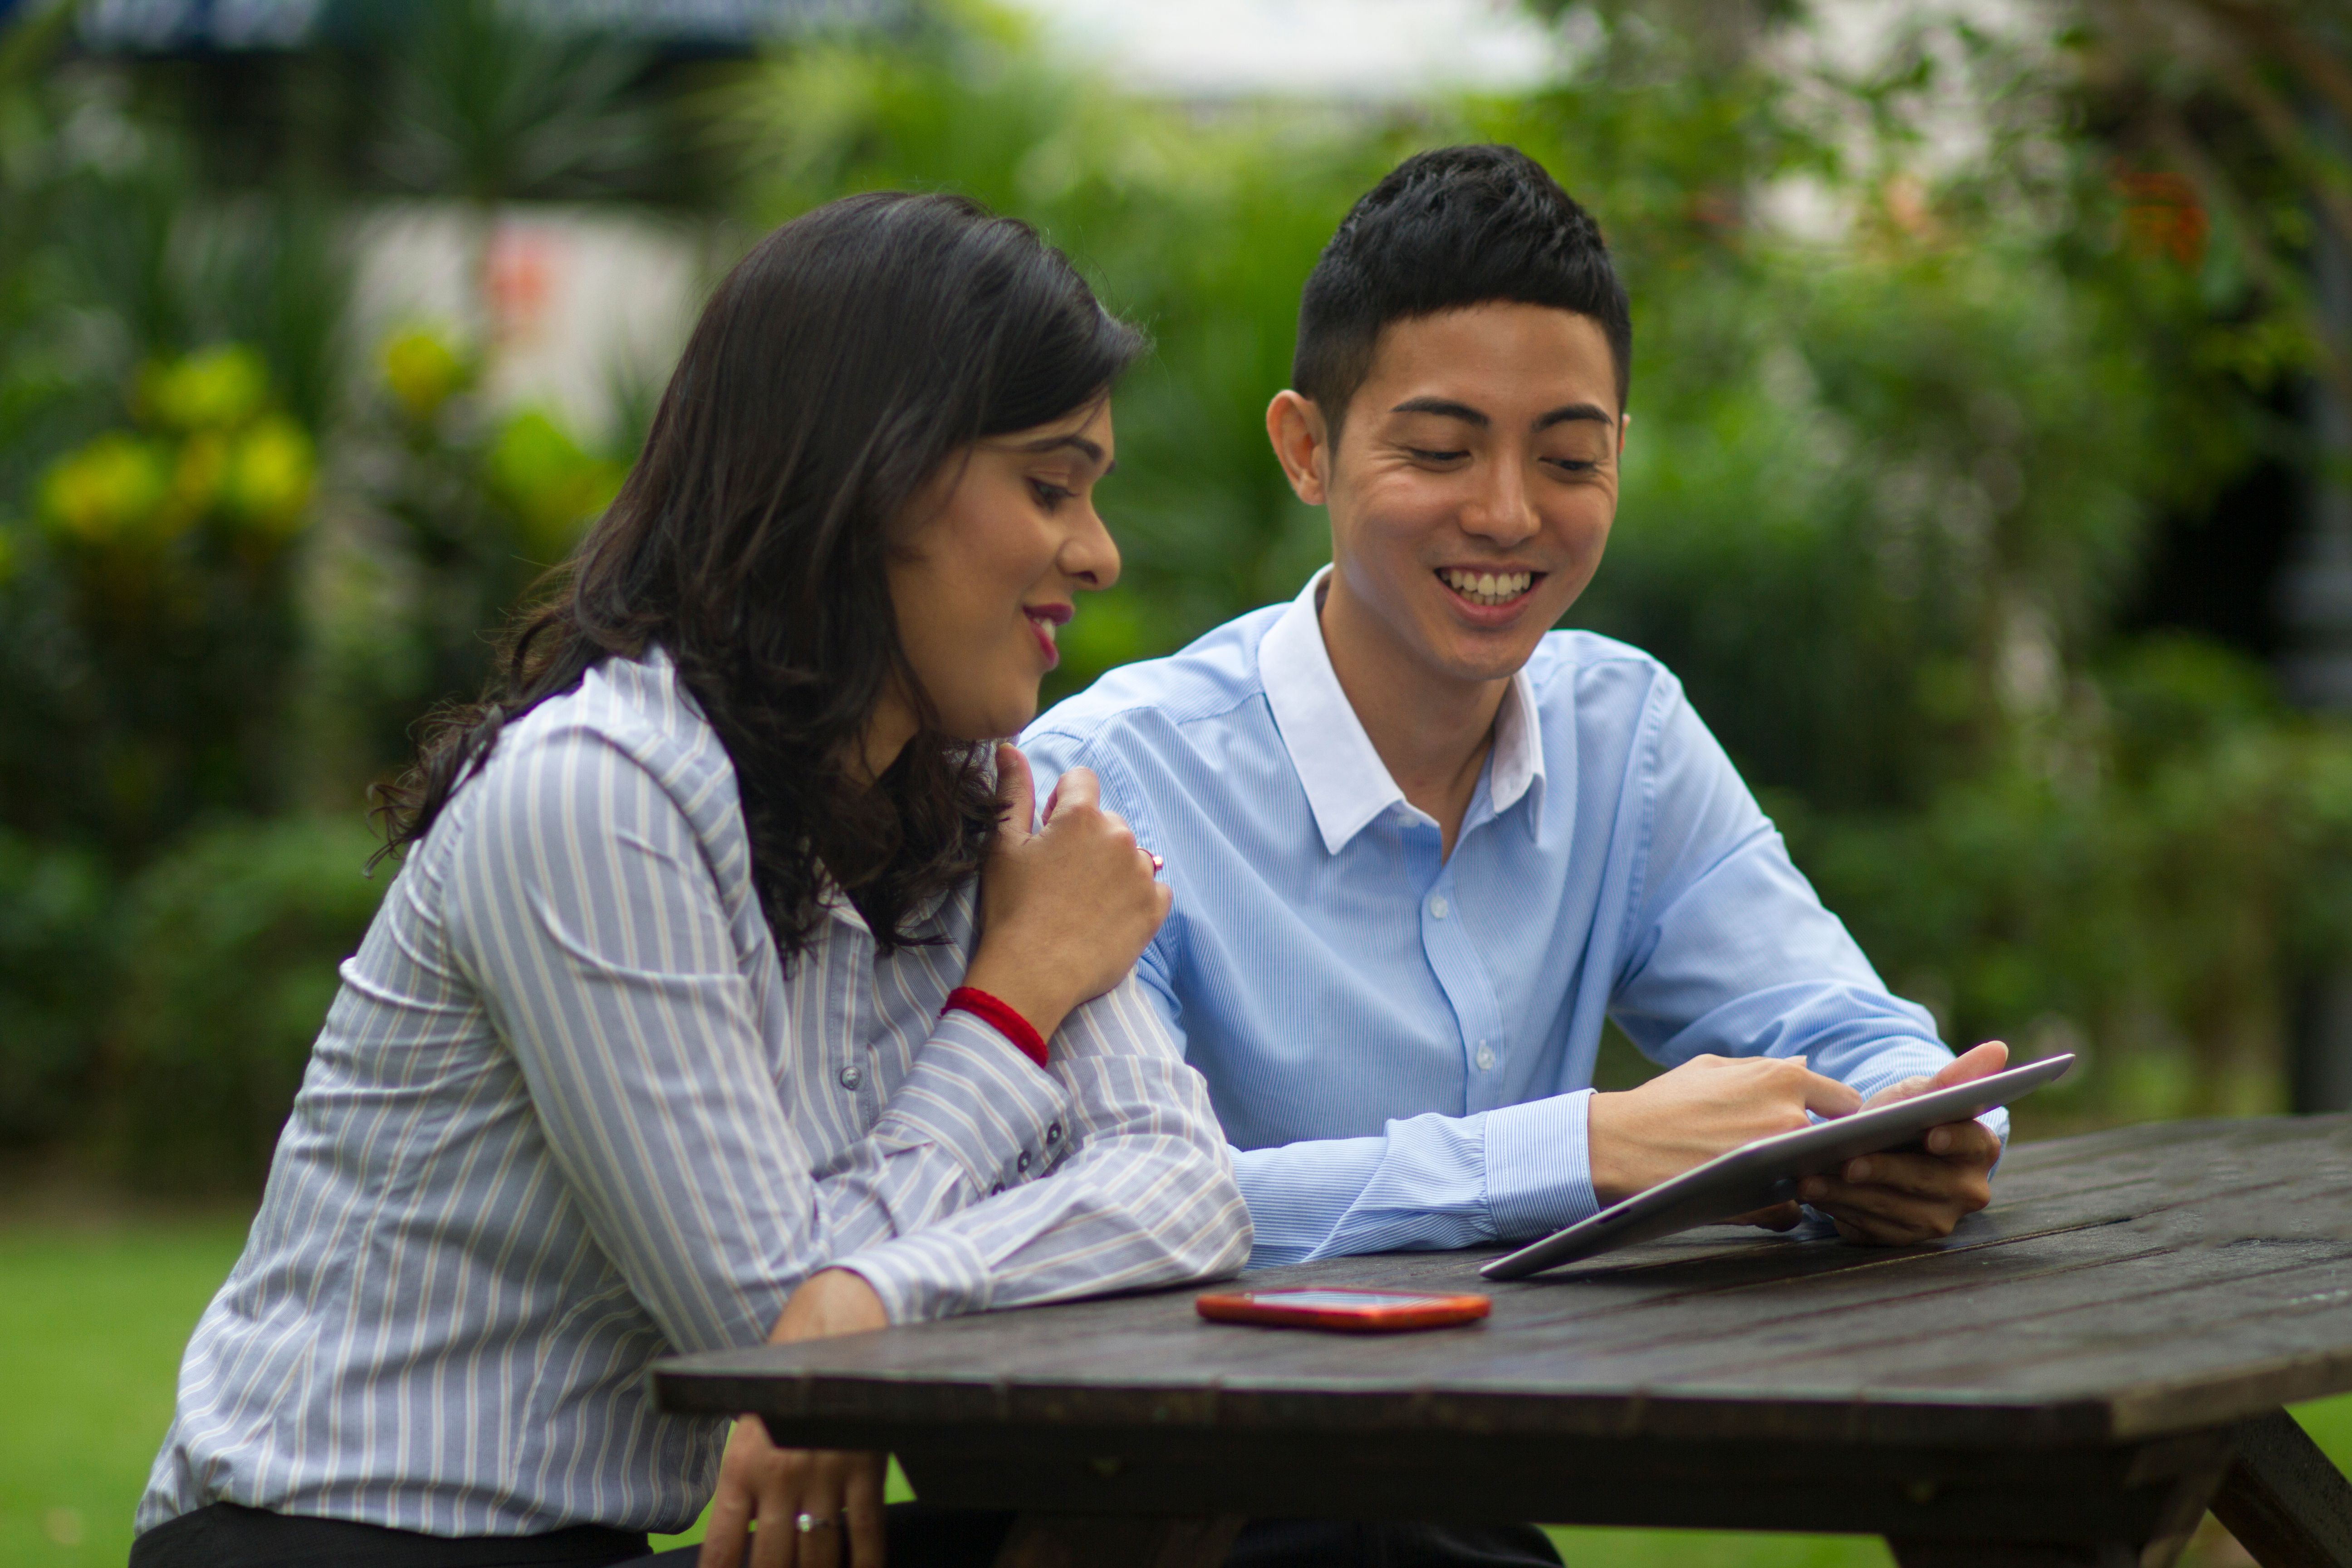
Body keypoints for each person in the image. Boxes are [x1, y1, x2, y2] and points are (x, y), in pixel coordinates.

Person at [131, 191, 1250, 1568]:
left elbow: (1189, 1190)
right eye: (1049, 486)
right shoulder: (600, 796)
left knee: (1191, 1516)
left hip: (596, 1549)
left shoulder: (970, 802)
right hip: (335, 1538)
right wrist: (1010, 1009)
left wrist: (866, 1296)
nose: (1100, 552)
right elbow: (767, 1337)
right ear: (876, 478)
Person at [1018, 146, 2009, 1567]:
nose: (1507, 514)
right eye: (1438, 451)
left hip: (1467, 1500)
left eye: (1569, 458)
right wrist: (1587, 1148)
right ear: (1307, 449)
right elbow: (1120, 1212)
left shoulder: (1626, 735)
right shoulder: (1110, 787)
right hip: (1169, 1517)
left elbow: (1854, 1038)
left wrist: (1917, 1139)